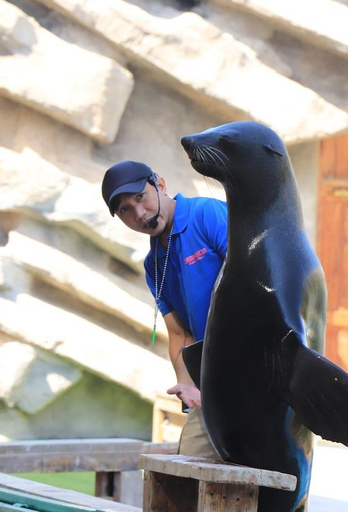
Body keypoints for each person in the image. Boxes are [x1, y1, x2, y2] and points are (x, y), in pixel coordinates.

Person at [102, 160, 226, 458]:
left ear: (160, 184)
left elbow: (258, 276)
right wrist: (188, 388)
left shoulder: (206, 214)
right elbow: (179, 333)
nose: (139, 214)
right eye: (124, 210)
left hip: (258, 367)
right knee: (188, 467)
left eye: (140, 197)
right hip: (213, 381)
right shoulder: (153, 264)